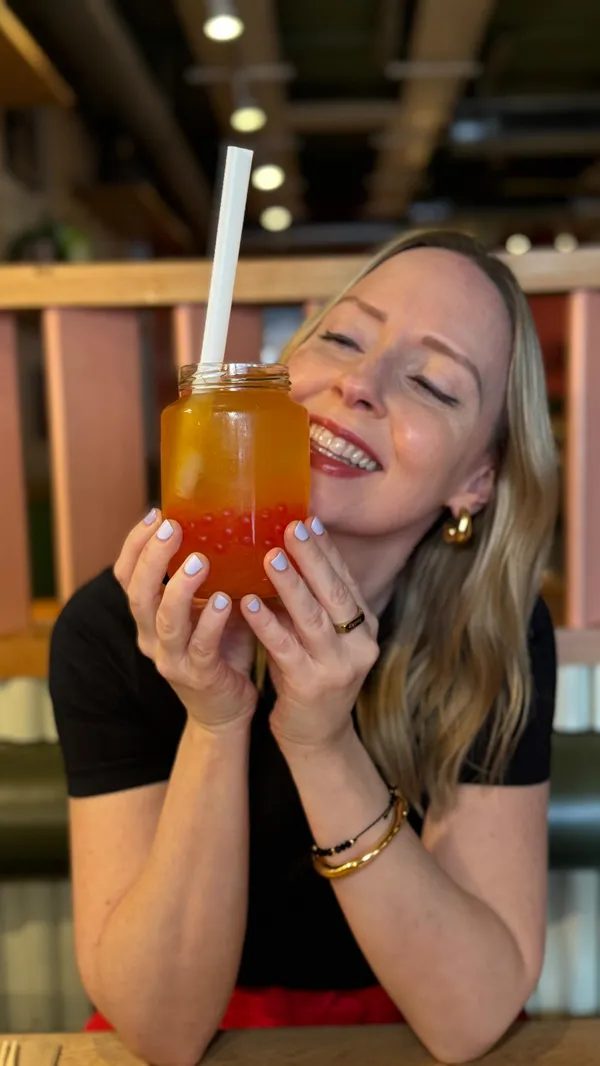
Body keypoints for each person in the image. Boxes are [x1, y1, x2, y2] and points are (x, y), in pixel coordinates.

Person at [50, 231, 558, 1066]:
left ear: (476, 480)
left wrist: (321, 741)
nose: (359, 384)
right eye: (344, 338)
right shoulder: (113, 630)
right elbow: (164, 1032)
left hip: (407, 1033)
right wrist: (216, 723)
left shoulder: (493, 636)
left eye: (432, 384)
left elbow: (467, 1018)